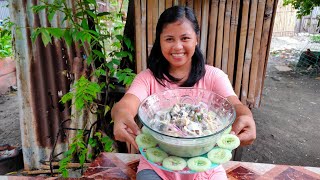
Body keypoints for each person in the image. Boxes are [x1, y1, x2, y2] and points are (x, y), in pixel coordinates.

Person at [111, 6, 256, 180]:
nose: (177, 46)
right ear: (160, 41)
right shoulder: (147, 78)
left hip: (206, 169)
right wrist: (120, 115)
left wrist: (246, 117)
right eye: (169, 39)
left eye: (185, 38)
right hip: (156, 167)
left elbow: (236, 106)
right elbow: (126, 104)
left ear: (196, 39)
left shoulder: (213, 76)